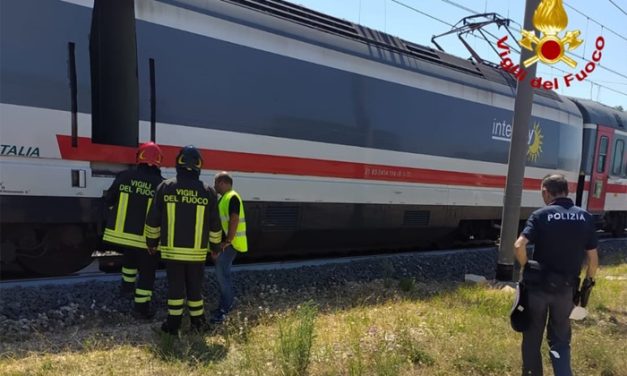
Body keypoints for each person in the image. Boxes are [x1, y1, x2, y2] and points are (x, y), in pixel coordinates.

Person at [514, 174, 598, 376]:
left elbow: (519, 246)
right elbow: (593, 260)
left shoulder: (541, 215)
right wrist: (588, 283)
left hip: (538, 289)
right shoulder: (585, 217)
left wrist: (527, 266)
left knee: (532, 340)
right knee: (560, 341)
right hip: (566, 291)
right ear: (566, 191)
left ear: (546, 192)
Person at [145, 146, 222, 335]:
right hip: (196, 254)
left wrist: (151, 243)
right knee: (195, 289)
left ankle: (173, 325)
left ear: (178, 163)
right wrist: (215, 248)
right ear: (199, 166)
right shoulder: (208, 192)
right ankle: (199, 324)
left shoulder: (165, 187)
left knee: (175, 289)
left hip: (172, 252)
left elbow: (153, 219)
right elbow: (215, 225)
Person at [103, 141, 164, 319]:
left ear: (140, 157)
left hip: (124, 236)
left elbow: (109, 199)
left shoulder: (124, 176)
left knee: (129, 265)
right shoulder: (160, 184)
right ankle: (141, 308)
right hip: (146, 239)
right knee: (147, 273)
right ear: (159, 160)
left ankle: (126, 290)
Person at [210, 171, 248, 324]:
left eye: (216, 183)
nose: (215, 187)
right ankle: (224, 305)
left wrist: (227, 241)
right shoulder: (225, 198)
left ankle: (225, 308)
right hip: (228, 244)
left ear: (223, 183)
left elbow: (234, 219)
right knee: (222, 275)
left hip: (231, 244)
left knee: (222, 276)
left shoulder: (231, 197)